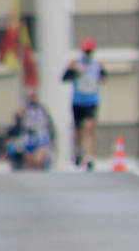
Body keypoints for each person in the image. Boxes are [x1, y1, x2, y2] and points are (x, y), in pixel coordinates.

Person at [62, 37, 105, 170]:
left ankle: (90, 155)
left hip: (91, 100)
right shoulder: (76, 64)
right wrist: (72, 70)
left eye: (90, 51)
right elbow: (64, 78)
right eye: (86, 51)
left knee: (90, 127)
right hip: (78, 100)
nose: (88, 53)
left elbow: (103, 78)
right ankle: (79, 151)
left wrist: (100, 75)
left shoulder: (97, 65)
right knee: (78, 129)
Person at [7, 88, 55, 171]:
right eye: (30, 96)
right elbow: (17, 124)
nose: (32, 98)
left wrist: (52, 137)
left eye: (33, 96)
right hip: (28, 139)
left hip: (40, 138)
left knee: (39, 161)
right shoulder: (23, 108)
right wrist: (19, 115)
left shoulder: (42, 108)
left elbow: (49, 123)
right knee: (31, 164)